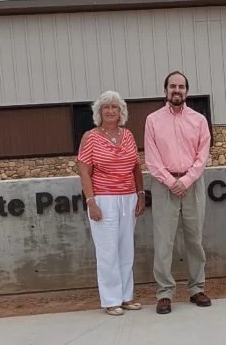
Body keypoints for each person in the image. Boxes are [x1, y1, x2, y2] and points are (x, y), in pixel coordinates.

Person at [144, 71, 212, 314]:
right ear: (165, 90)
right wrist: (170, 181)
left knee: (195, 239)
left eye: (181, 87)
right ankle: (164, 292)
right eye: (172, 86)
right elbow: (152, 158)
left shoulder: (199, 120)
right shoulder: (152, 120)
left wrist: (186, 179)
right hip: (164, 185)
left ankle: (197, 288)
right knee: (164, 241)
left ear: (187, 91)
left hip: (193, 183)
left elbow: (202, 155)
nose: (177, 90)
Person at [77, 90, 146, 316]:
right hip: (104, 199)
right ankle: (111, 299)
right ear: (99, 112)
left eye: (114, 107)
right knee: (108, 251)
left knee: (126, 249)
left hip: (128, 198)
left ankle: (126, 296)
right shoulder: (90, 137)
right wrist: (91, 202)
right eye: (106, 107)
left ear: (121, 112)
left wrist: (141, 194)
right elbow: (84, 171)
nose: (110, 111)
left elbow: (136, 167)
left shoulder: (128, 135)